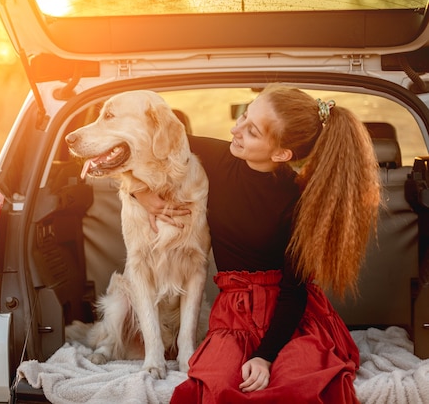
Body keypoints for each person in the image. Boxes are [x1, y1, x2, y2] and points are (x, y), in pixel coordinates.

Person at [132, 84, 381, 402]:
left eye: (251, 131)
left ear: (281, 153)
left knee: (294, 386)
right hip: (233, 314)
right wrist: (141, 194)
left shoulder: (301, 202)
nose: (235, 129)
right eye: (242, 115)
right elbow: (141, 144)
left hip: (291, 320)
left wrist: (265, 356)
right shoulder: (215, 157)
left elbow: (294, 293)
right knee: (215, 385)